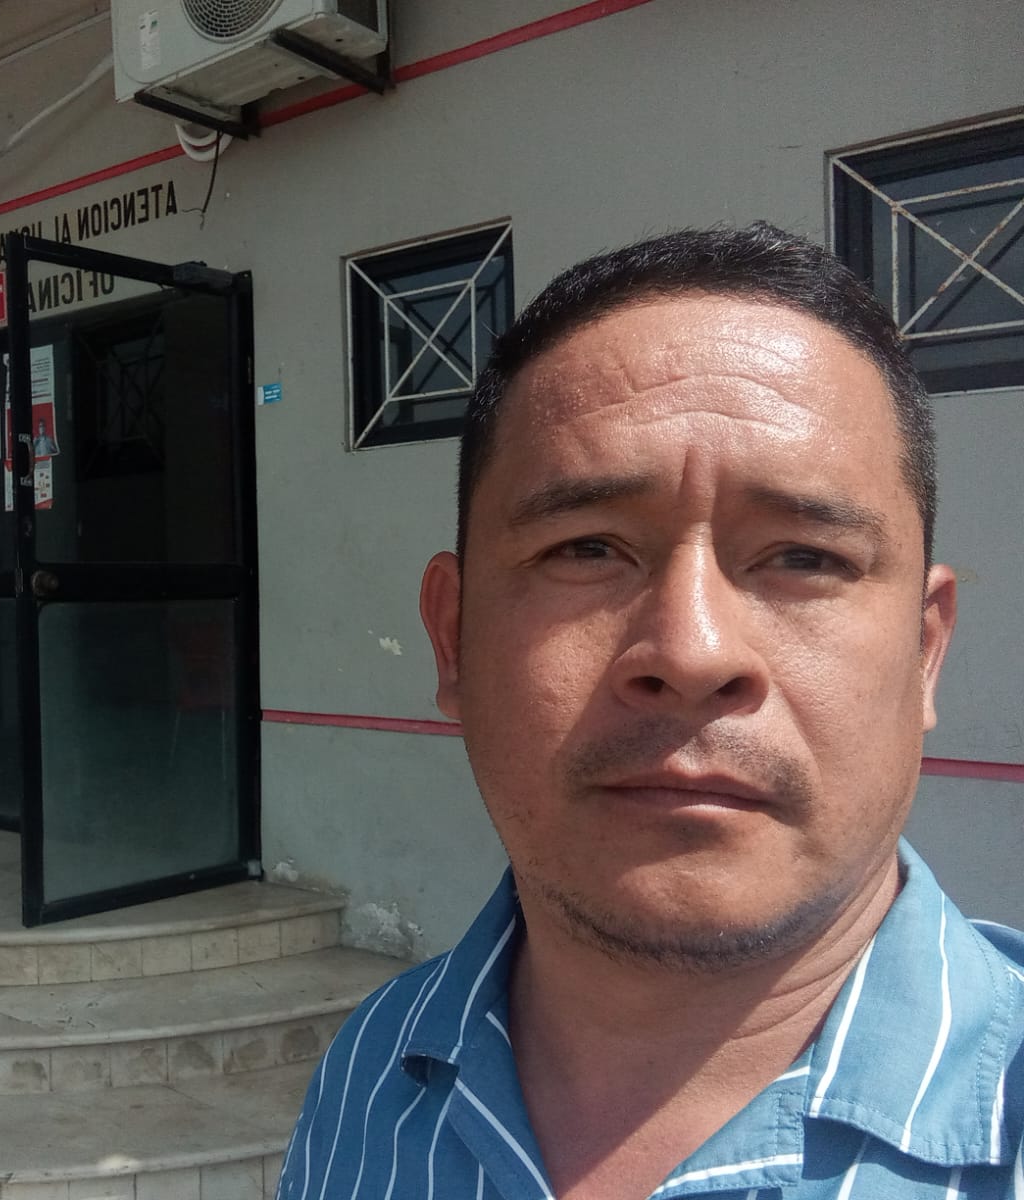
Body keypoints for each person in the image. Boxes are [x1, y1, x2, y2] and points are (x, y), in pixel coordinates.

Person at [276, 224, 1024, 1199]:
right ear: (453, 639)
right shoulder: (371, 1075)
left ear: (924, 653)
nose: (692, 652)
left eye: (804, 557)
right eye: (587, 549)